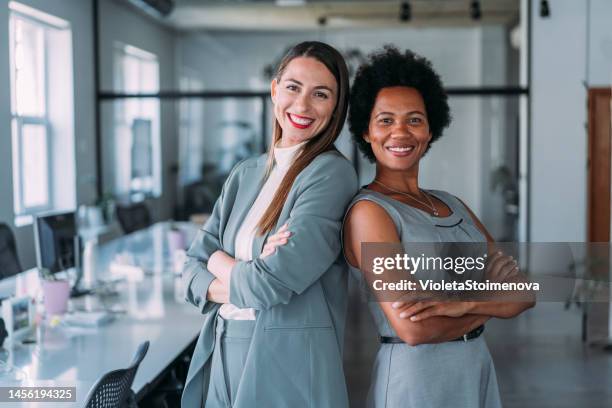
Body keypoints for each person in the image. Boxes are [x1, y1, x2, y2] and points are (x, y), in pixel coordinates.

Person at [341, 47, 535, 407]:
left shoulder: (454, 204)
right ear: (366, 131)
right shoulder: (370, 213)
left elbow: (524, 293)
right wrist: (491, 301)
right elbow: (413, 327)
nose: (400, 132)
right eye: (385, 120)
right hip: (416, 381)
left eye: (414, 119)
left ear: (430, 130)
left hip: (474, 368)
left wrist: (461, 306)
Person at [180, 41, 358, 408]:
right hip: (223, 346)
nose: (303, 105)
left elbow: (266, 286)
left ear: (336, 107)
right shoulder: (245, 173)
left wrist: (216, 260)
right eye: (293, 87)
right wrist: (243, 271)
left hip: (285, 360)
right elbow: (188, 270)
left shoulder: (331, 175)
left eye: (320, 94)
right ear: (275, 89)